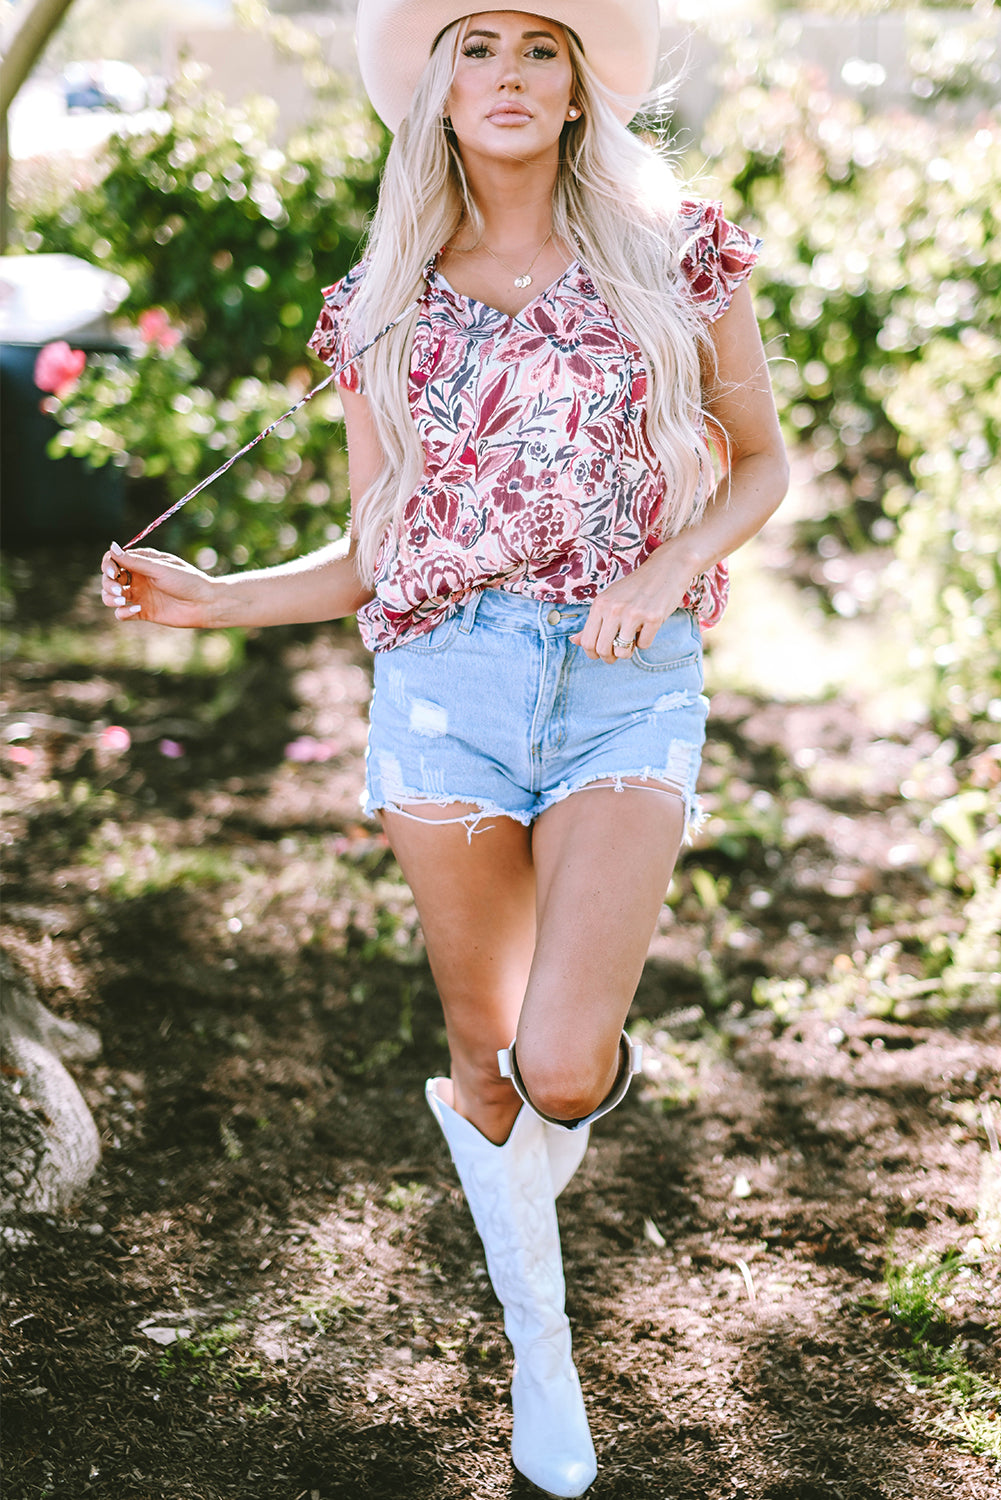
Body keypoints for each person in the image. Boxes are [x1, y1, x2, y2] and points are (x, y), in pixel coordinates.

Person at [101, 4, 788, 1493]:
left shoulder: (678, 253)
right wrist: (221, 601)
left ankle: (552, 1130)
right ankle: (547, 1363)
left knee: (554, 1065)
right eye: (474, 47)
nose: (507, 76)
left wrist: (667, 569)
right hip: (443, 690)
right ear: (434, 85)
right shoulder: (380, 305)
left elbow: (761, 463)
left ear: (575, 85)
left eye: (537, 49)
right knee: (484, 1071)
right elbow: (374, 546)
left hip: (625, 681)